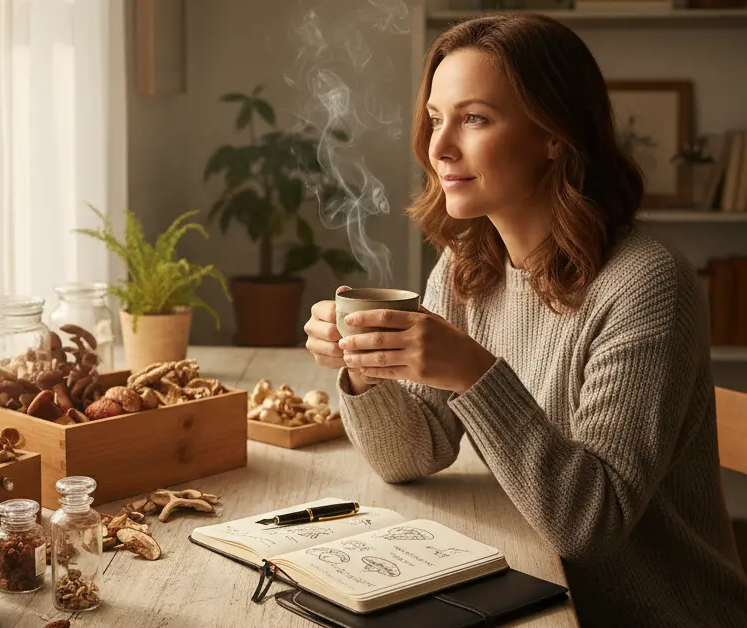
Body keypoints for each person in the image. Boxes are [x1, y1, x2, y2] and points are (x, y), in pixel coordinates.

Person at [304, 13, 747, 628]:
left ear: (554, 135)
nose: (439, 147)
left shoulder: (646, 285)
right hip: (536, 595)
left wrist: (474, 374)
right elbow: (410, 457)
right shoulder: (467, 266)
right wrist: (366, 372)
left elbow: (590, 523)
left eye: (475, 118)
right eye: (435, 118)